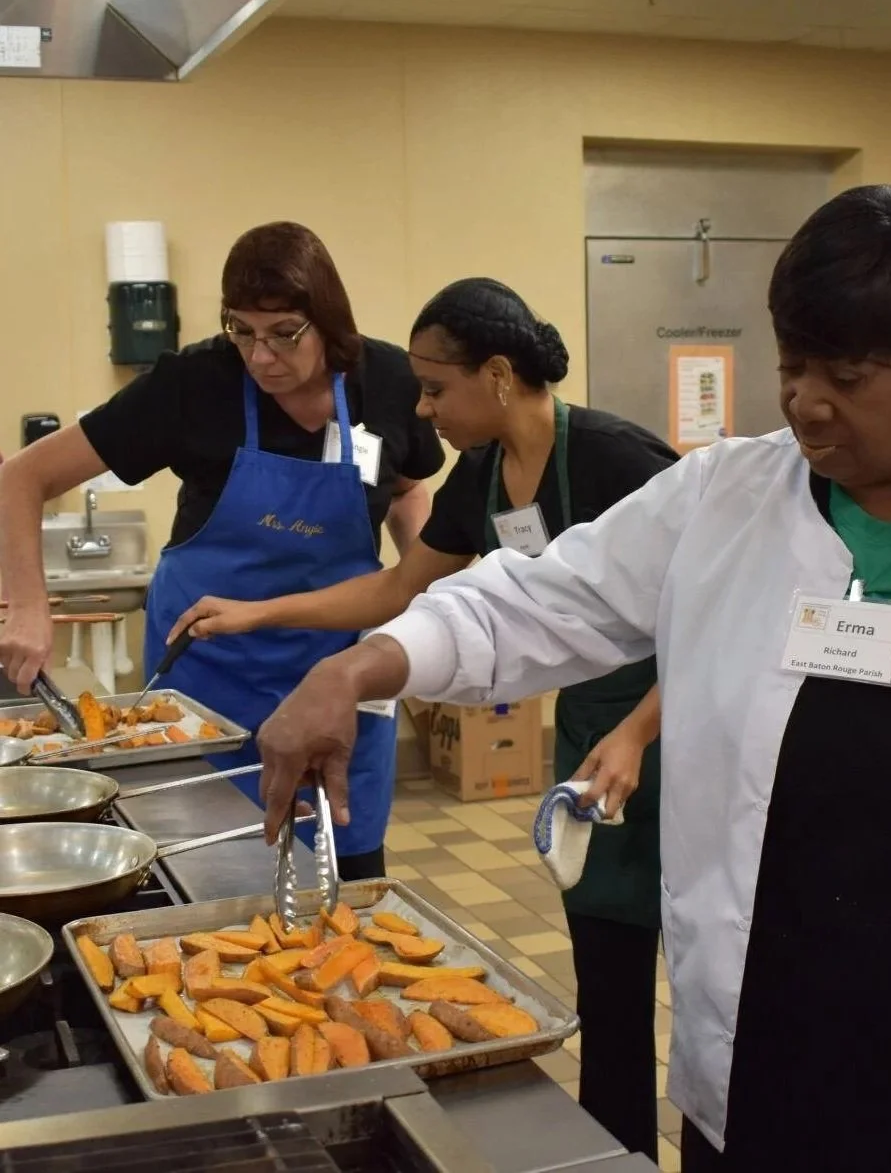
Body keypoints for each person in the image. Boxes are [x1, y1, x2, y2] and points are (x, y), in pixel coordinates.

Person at [250, 187, 891, 1173]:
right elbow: (530, 601)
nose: (805, 401)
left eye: (846, 376)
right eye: (791, 365)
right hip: (769, 1046)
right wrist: (362, 663)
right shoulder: (722, 498)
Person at [166, 277, 677, 1162]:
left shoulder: (618, 460)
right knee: (608, 967)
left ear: (500, 374)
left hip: (673, 723)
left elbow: (713, 615)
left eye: (437, 388)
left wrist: (637, 730)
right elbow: (400, 587)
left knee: (704, 967)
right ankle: (615, 1148)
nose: (423, 409)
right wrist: (258, 612)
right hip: (592, 730)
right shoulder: (481, 473)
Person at [0, 221, 444, 880]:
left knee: (343, 873)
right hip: (208, 674)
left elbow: (407, 490)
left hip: (337, 673)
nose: (260, 356)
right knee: (204, 870)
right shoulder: (194, 383)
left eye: (284, 333)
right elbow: (21, 477)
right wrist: (28, 605)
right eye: (242, 330)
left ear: (328, 320)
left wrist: (422, 596)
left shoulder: (388, 382)